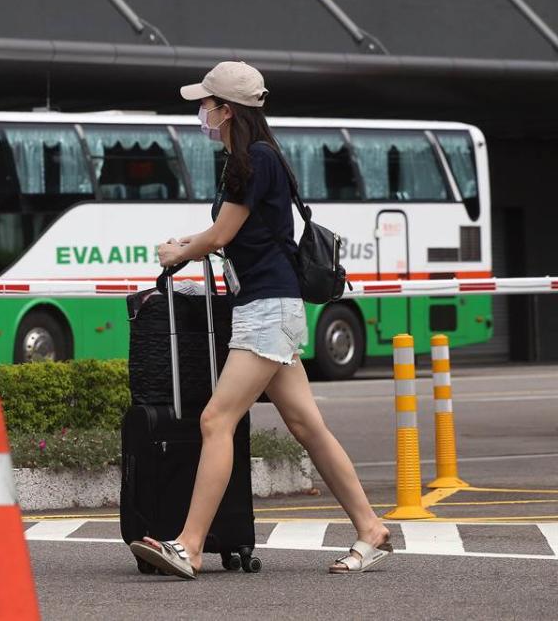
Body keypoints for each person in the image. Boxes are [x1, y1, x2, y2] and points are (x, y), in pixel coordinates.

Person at [128, 61, 393, 579]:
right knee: (306, 425)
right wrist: (188, 245)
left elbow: (222, 234)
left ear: (227, 110)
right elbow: (230, 233)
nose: (201, 112)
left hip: (268, 309)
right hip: (273, 306)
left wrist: (177, 250)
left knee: (215, 419)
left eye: (206, 104)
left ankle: (189, 545)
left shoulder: (250, 161)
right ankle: (371, 528)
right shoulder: (255, 158)